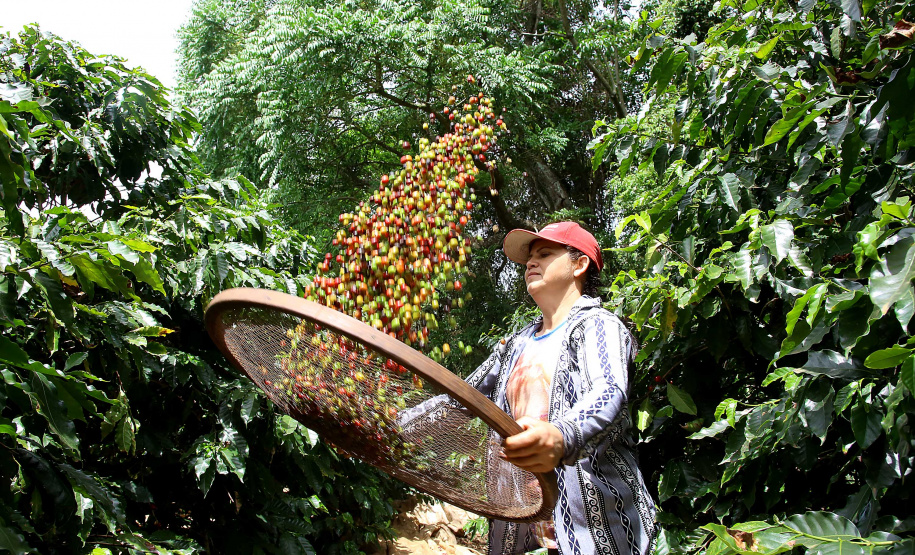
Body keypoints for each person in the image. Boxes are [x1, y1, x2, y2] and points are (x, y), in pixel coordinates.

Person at [463, 221, 656, 555]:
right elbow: (461, 396)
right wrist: (397, 424)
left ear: (578, 264)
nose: (530, 263)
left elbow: (609, 390)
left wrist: (561, 435)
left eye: (545, 254)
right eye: (529, 259)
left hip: (598, 531)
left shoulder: (599, 325)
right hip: (523, 529)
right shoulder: (516, 344)